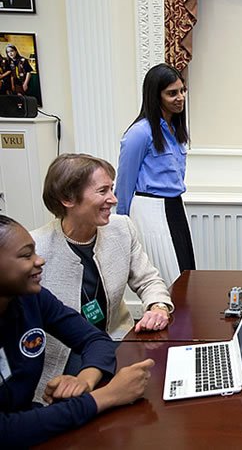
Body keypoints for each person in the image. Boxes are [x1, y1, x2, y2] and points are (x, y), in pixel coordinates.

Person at [0, 215, 154, 447]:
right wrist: (108, 395)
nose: (39, 260)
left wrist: (84, 379)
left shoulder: (33, 299)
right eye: (26, 255)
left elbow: (95, 339)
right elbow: (5, 431)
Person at [31, 154, 173, 403]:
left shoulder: (121, 229)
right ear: (67, 199)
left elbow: (149, 280)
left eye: (112, 189)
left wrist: (158, 306)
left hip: (117, 343)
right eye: (102, 191)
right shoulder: (36, 250)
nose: (114, 199)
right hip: (65, 361)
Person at [115, 63, 195, 286]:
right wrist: (122, 225)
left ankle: (185, 321)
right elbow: (124, 182)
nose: (180, 97)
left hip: (174, 206)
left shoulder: (175, 129)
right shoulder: (139, 133)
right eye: (172, 93)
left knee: (185, 273)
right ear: (155, 95)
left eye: (182, 90)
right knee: (168, 280)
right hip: (150, 210)